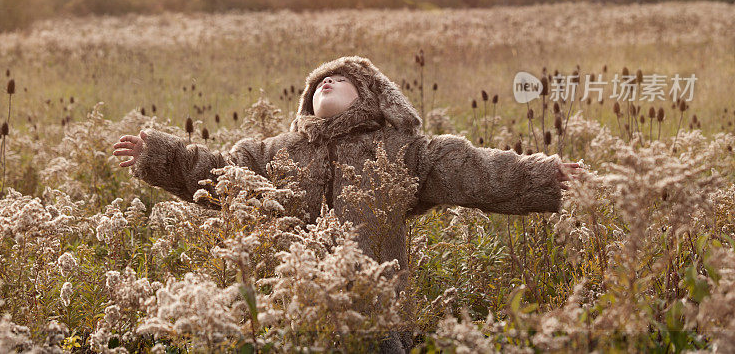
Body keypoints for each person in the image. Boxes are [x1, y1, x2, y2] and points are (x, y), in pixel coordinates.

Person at [113, 55, 580, 352]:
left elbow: (478, 173)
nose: (326, 83)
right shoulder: (276, 152)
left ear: (372, 95)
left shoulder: (402, 150)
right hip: (291, 310)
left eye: (340, 78)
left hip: (375, 317)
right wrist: (159, 154)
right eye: (319, 82)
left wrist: (545, 176)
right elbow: (215, 173)